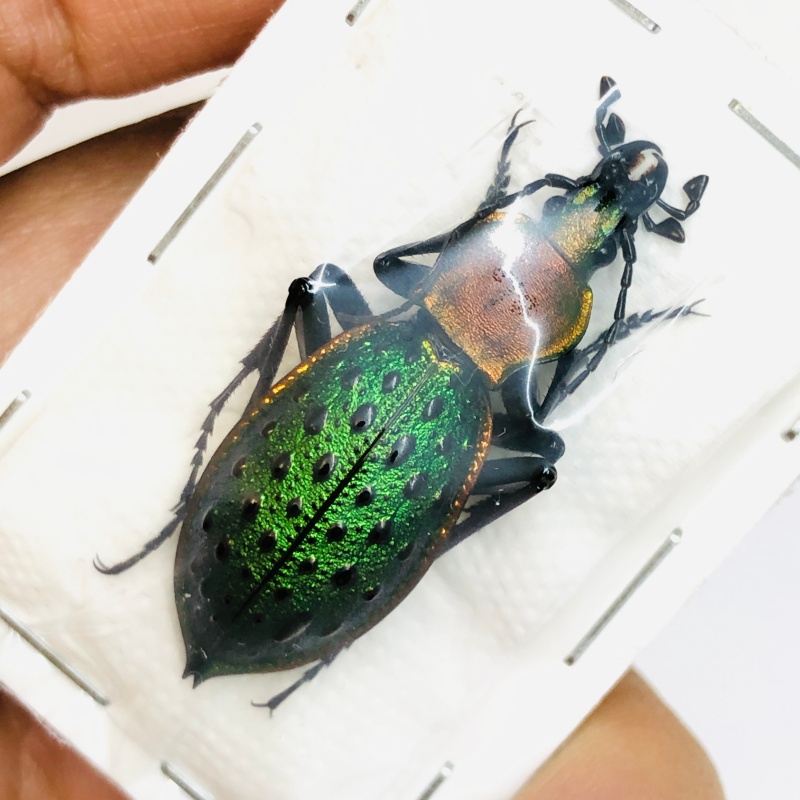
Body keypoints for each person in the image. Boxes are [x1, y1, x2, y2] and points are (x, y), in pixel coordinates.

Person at [0, 2, 725, 797]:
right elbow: (539, 428)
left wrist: (494, 202)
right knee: (539, 463)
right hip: (363, 523)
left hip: (359, 417)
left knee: (315, 293)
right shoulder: (511, 394)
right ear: (569, 325)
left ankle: (203, 506)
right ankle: (354, 571)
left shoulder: (410, 314)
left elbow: (389, 267)